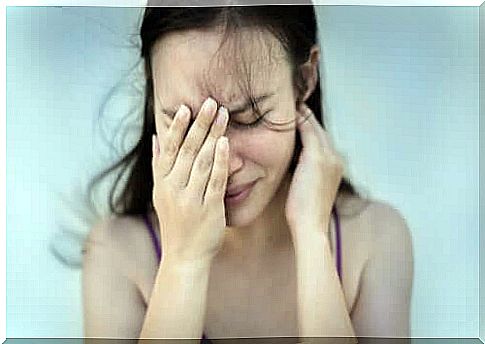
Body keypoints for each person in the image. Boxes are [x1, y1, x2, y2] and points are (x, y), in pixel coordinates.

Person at [82, 3, 414, 342]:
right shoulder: (117, 253)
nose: (223, 162)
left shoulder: (376, 239)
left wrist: (313, 238)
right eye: (186, 123)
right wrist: (183, 262)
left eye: (250, 117)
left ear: (304, 80)